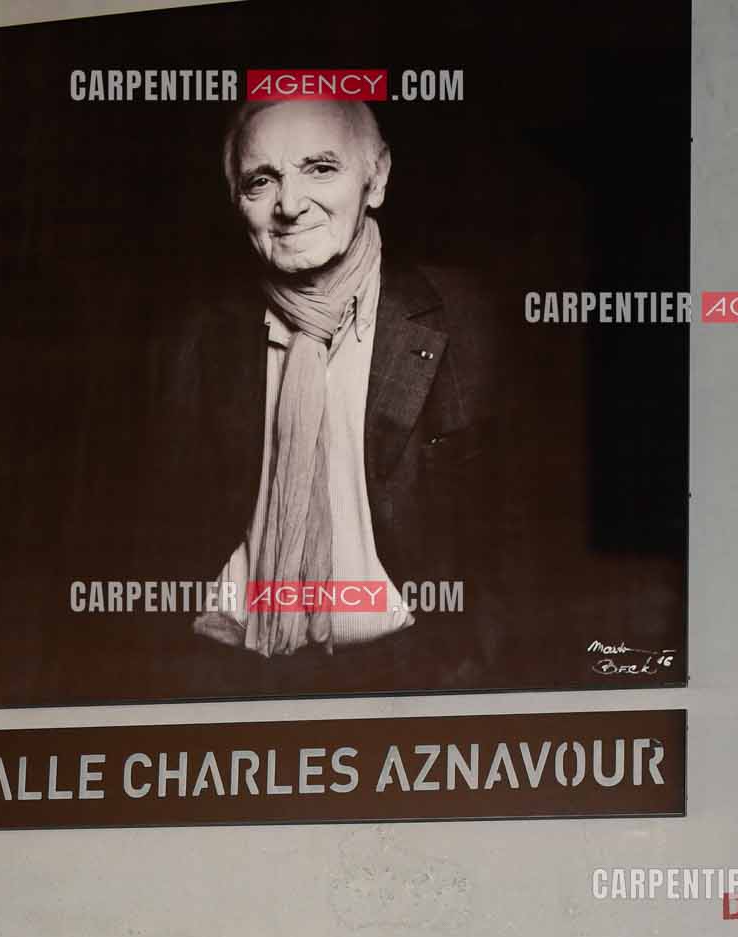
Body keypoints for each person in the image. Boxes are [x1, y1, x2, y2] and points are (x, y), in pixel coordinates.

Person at [154, 98, 512, 694]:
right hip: (227, 665)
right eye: (260, 180)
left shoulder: (468, 317)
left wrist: (476, 666)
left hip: (411, 670)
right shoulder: (192, 335)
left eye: (321, 169)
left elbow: (517, 525)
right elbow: (155, 522)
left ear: (377, 177)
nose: (290, 206)